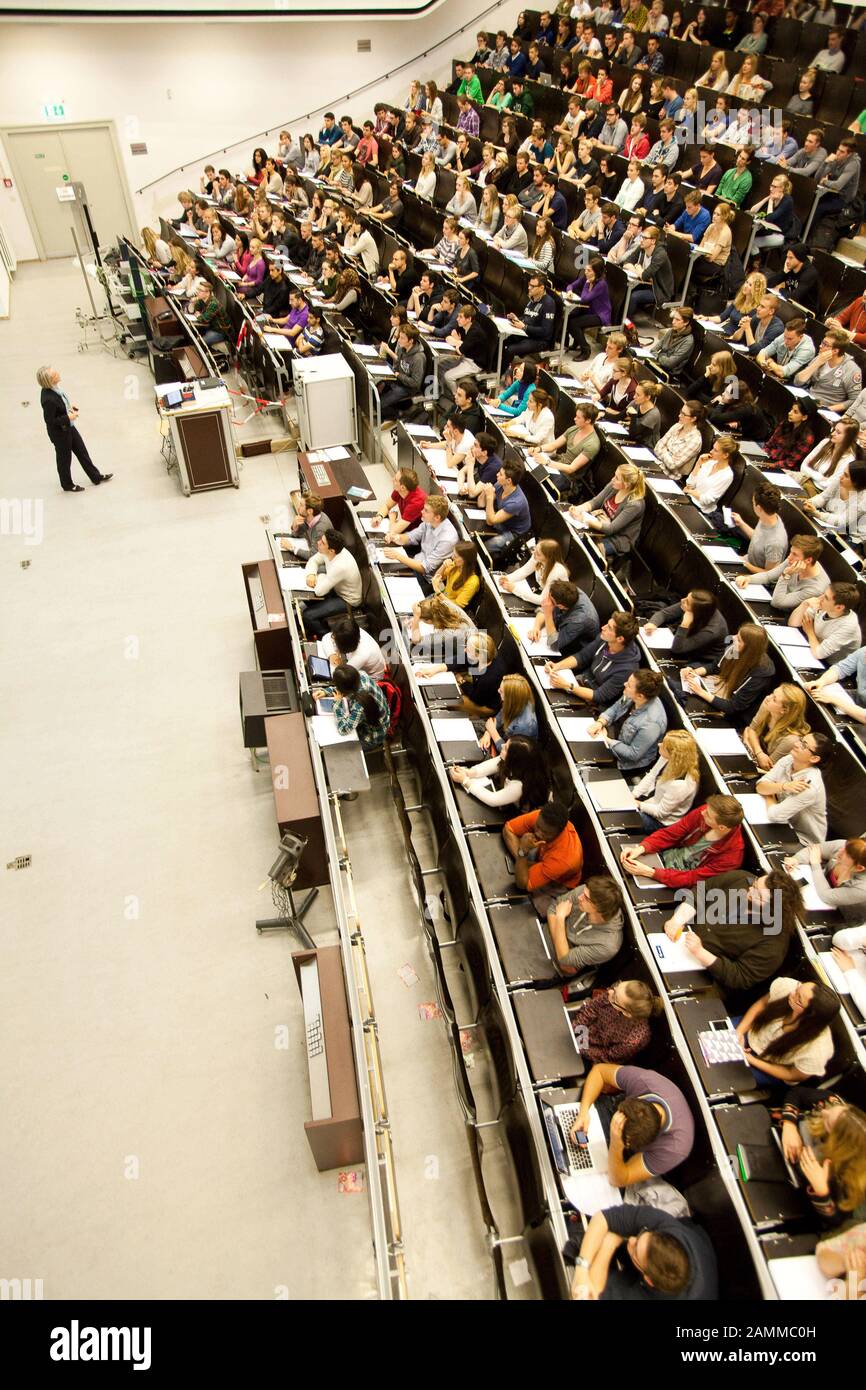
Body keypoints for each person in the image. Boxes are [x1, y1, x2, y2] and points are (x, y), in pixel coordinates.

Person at [662, 869, 804, 992]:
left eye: (758, 895)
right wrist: (678, 919)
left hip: (704, 973)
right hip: (683, 932)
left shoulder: (773, 944)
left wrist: (700, 952)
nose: (749, 891)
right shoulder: (742, 879)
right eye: (754, 885)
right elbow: (704, 889)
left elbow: (740, 977)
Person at [572, 1063, 695, 1187]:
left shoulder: (674, 1148)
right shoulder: (645, 1081)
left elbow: (619, 1180)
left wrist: (616, 1145)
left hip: (624, 1153)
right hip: (611, 1109)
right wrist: (583, 1112)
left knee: (582, 1179)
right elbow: (599, 1071)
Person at [566, 1204, 718, 1301]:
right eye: (641, 1236)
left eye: (636, 1248)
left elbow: (593, 1295)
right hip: (701, 1245)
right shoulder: (669, 1230)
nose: (631, 1240)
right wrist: (581, 1268)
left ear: (648, 1280)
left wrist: (609, 1244)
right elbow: (604, 1217)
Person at [621, 795, 745, 888]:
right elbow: (670, 833)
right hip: (660, 858)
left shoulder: (732, 857)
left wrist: (650, 872)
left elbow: (693, 878)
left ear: (722, 827)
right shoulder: (706, 812)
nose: (702, 812)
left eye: (707, 814)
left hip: (673, 880)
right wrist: (641, 848)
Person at [736, 979, 840, 1084]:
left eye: (798, 999)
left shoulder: (818, 1050)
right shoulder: (789, 987)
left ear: (809, 1015)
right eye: (798, 988)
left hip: (770, 1066)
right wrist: (739, 1032)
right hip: (752, 1030)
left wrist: (750, 1059)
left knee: (730, 1076)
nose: (791, 993)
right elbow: (762, 1004)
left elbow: (792, 1074)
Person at [677, 622, 776, 726]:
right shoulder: (735, 648)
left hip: (729, 706)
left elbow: (733, 707)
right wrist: (694, 671)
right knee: (678, 686)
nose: (733, 638)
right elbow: (715, 667)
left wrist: (701, 692)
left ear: (748, 648)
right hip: (718, 685)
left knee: (681, 693)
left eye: (739, 639)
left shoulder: (761, 673)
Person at [37, 365, 113, 492]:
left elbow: (59, 406)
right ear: (49, 380)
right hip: (60, 434)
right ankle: (67, 484)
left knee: (82, 452)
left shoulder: (55, 390)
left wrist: (68, 407)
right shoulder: (48, 399)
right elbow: (50, 420)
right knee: (64, 459)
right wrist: (69, 417)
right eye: (54, 373)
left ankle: (95, 476)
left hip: (69, 428)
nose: (58, 373)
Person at [546, 611, 641, 708]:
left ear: (620, 639)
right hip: (580, 682)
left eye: (609, 628)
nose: (603, 628)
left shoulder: (627, 669)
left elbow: (599, 696)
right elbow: (582, 656)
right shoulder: (605, 638)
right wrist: (557, 666)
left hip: (593, 702)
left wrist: (567, 686)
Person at [503, 801, 584, 914]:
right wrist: (521, 859)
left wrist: (523, 853)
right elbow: (508, 829)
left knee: (530, 909)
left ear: (560, 832)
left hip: (558, 884)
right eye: (537, 827)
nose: (539, 833)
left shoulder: (565, 859)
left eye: (546, 833)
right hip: (542, 857)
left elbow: (522, 884)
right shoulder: (542, 818)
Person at [755, 733, 831, 844]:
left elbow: (774, 815)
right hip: (782, 822)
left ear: (814, 758)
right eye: (801, 740)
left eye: (803, 745)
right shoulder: (789, 759)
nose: (796, 744)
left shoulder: (809, 786)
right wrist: (783, 787)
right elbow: (760, 785)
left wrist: (770, 791)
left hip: (801, 840)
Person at [545, 876, 625, 979]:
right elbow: (553, 908)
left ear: (599, 908)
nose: (580, 897)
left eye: (586, 899)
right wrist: (560, 948)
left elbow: (565, 960)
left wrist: (560, 918)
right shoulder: (587, 891)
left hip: (555, 967)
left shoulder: (608, 945)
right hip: (545, 934)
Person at [588, 670, 667, 772]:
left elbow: (633, 754)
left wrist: (606, 739)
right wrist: (601, 722)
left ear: (640, 696)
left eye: (629, 685)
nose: (625, 684)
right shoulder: (632, 695)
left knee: (585, 757)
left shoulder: (652, 723)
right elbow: (615, 708)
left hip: (624, 761)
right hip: (613, 734)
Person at [570, 980, 662, 1065]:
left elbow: (606, 1056)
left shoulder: (635, 1038)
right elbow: (590, 1009)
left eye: (615, 998)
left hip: (588, 1056)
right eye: (616, 987)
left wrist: (580, 1047)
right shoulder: (613, 993)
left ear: (626, 1013)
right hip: (579, 1030)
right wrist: (577, 1031)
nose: (609, 992)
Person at [450, 735, 551, 812]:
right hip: (508, 799)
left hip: (516, 812)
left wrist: (465, 781)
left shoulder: (519, 786)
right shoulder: (518, 763)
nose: (502, 746)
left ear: (514, 759)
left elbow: (493, 800)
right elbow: (491, 765)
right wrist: (468, 772)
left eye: (506, 748)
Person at [571, 463, 647, 561]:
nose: (612, 479)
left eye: (617, 478)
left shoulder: (635, 505)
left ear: (626, 485)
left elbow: (611, 529)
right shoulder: (614, 485)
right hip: (599, 524)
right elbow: (595, 502)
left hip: (616, 539)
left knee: (584, 547)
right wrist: (578, 509)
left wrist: (584, 519)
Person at [786, 838, 866, 926]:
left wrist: (815, 864)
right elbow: (814, 850)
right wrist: (796, 859)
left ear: (859, 868)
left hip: (838, 919)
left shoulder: (863, 888)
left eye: (846, 854)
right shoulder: (845, 846)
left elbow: (827, 896)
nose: (841, 850)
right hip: (816, 892)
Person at [302, 529, 363, 638]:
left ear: (331, 550)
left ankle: (329, 637)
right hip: (335, 589)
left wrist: (321, 576)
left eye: (323, 543)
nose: (318, 543)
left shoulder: (340, 566)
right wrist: (311, 574)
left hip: (347, 600)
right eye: (321, 539)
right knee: (305, 597)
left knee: (308, 615)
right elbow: (313, 560)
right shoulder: (328, 551)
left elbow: (319, 591)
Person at [382, 495, 458, 581]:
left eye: (426, 511)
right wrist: (397, 537)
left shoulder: (447, 540)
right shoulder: (430, 521)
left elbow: (425, 568)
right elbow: (411, 537)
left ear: (437, 517)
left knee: (389, 577)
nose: (422, 512)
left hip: (425, 577)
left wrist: (397, 556)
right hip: (417, 560)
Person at [788, 582, 863, 663]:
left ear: (839, 607)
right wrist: (804, 604)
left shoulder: (848, 627)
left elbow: (819, 654)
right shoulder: (823, 606)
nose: (820, 598)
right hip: (813, 648)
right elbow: (793, 623)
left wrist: (810, 632)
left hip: (830, 665)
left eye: (826, 598)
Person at [743, 683, 810, 769]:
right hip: (753, 754)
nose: (768, 697)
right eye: (772, 694)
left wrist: (748, 741)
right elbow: (751, 729)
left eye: (774, 699)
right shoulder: (767, 705)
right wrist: (758, 752)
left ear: (784, 710)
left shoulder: (790, 740)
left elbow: (766, 767)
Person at [478, 460, 533, 558]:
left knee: (485, 547)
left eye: (501, 474)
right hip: (501, 522)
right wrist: (485, 492)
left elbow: (491, 521)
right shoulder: (500, 484)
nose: (497, 474)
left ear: (509, 481)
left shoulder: (516, 502)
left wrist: (489, 497)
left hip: (515, 533)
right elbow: (481, 504)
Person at [683, 436, 737, 526]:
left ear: (725, 455)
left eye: (715, 450)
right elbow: (690, 484)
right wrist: (698, 464)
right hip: (689, 500)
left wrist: (689, 491)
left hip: (701, 510)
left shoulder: (727, 475)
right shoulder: (709, 463)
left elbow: (706, 500)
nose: (711, 451)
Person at [622, 225, 674, 317]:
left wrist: (638, 268)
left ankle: (625, 322)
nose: (641, 240)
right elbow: (626, 262)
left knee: (634, 296)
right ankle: (618, 320)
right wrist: (637, 269)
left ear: (653, 241)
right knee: (622, 288)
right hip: (644, 283)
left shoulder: (660, 255)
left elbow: (644, 275)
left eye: (645, 238)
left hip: (658, 289)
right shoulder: (642, 247)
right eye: (642, 236)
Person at [480, 673, 538, 754]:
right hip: (499, 736)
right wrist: (487, 734)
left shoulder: (525, 726)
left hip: (508, 755)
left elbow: (510, 754)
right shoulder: (516, 701)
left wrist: (492, 732)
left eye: (501, 691)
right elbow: (498, 719)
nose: (498, 691)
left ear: (510, 697)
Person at [499, 539, 569, 607]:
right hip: (542, 592)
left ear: (548, 557)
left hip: (555, 604)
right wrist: (508, 578)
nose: (533, 553)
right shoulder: (537, 557)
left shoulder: (557, 573)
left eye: (538, 553)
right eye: (534, 549)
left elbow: (542, 600)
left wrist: (514, 589)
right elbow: (524, 571)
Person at [808, 649, 866, 726]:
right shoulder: (864, 652)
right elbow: (840, 669)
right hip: (859, 698)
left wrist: (834, 700)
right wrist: (820, 682)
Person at [321, 615, 387, 681]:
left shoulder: (362, 655)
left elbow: (340, 675)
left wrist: (334, 665)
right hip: (355, 666)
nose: (333, 638)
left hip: (370, 679)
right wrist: (332, 655)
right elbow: (326, 637)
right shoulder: (351, 631)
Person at [763, 400, 820, 472]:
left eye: (795, 412)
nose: (790, 413)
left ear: (804, 417)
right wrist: (763, 455)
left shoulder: (807, 438)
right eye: (791, 409)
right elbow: (770, 444)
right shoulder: (785, 424)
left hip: (785, 470)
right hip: (771, 459)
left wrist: (770, 465)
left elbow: (790, 463)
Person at [655, 402, 704, 479]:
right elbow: (657, 447)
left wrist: (664, 450)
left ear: (693, 419)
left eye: (684, 414)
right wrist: (669, 454)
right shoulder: (677, 426)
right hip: (657, 465)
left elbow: (672, 465)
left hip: (670, 477)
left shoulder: (695, 440)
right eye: (681, 412)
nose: (679, 415)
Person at [431, 541, 480, 610]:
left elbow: (457, 607)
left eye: (455, 556)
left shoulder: (473, 581)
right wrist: (443, 566)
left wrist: (437, 590)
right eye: (453, 554)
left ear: (466, 560)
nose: (452, 557)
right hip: (439, 600)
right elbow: (437, 578)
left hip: (448, 610)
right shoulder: (454, 565)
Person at [653, 308, 695, 378]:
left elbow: (669, 364)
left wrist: (658, 356)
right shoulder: (671, 331)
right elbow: (653, 350)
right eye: (673, 319)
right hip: (659, 364)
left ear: (686, 322)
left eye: (677, 320)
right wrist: (660, 357)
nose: (673, 322)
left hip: (669, 374)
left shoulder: (688, 341)